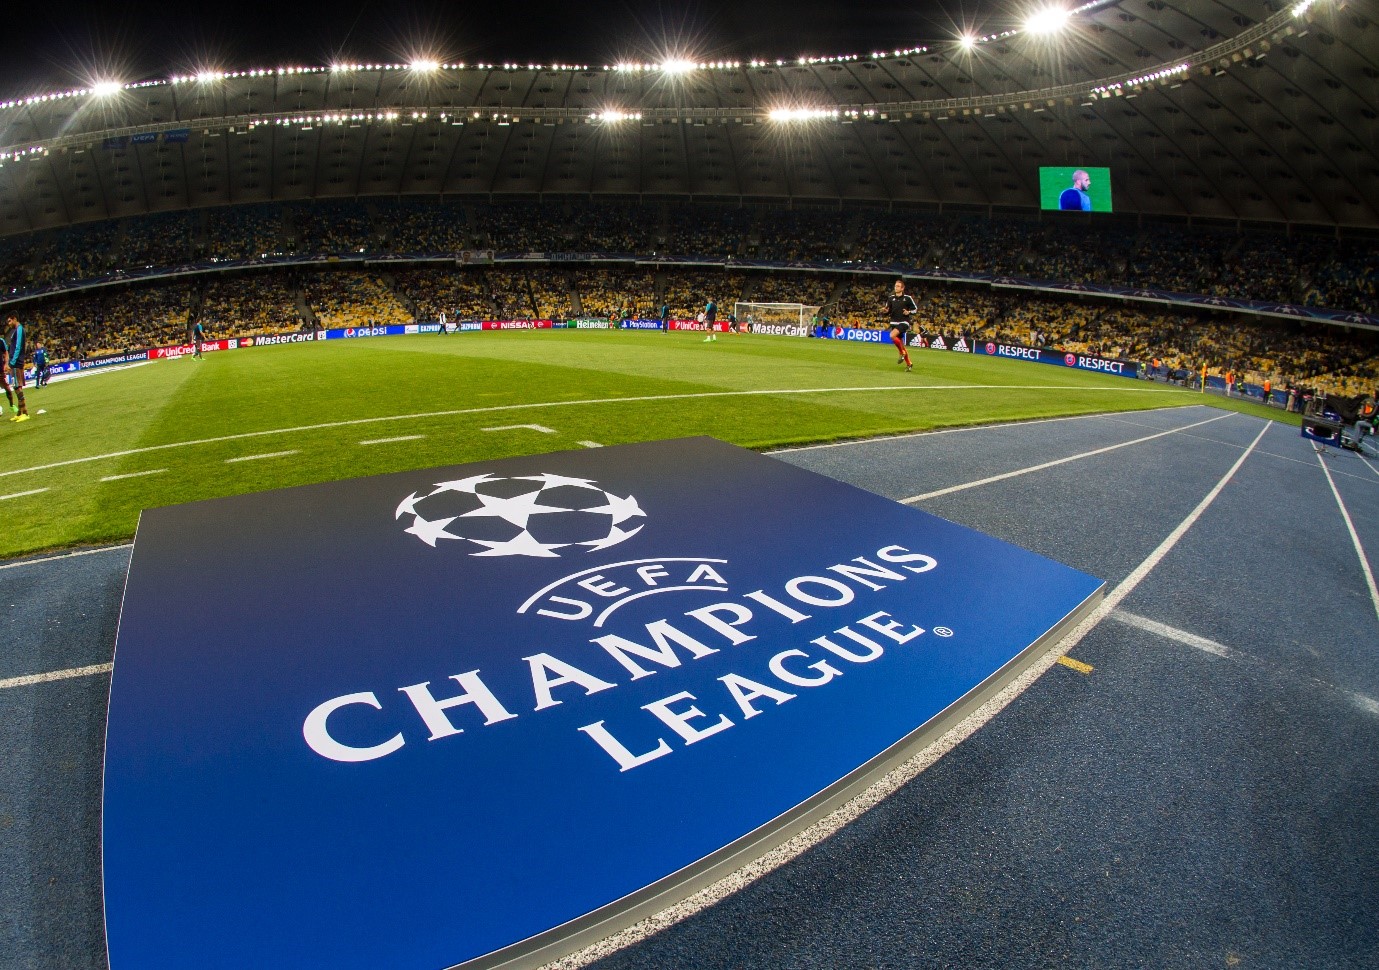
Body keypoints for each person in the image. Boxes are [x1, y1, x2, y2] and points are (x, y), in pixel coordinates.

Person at [885, 279, 917, 373]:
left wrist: (909, 312)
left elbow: (915, 309)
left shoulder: (907, 298)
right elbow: (888, 310)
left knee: (892, 335)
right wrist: (885, 311)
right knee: (901, 345)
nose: (896, 287)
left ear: (902, 288)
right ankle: (909, 363)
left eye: (898, 286)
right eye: (895, 286)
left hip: (904, 322)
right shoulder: (891, 298)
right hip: (894, 323)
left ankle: (901, 353)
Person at [2, 314, 29, 422]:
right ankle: (20, 413)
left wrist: (12, 362)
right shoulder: (16, 331)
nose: (9, 324)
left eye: (9, 321)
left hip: (16, 362)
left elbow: (18, 347)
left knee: (17, 387)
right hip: (16, 362)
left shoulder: (19, 330)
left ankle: (25, 413)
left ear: (14, 319)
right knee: (17, 387)